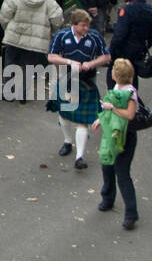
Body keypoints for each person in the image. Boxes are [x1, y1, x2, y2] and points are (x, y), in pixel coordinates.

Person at [47, 9, 110, 170]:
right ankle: (68, 141)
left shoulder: (95, 36)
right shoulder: (62, 35)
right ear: (73, 25)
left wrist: (91, 64)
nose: (86, 28)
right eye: (83, 25)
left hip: (87, 81)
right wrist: (69, 62)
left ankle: (79, 157)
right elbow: (51, 56)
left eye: (87, 25)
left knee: (83, 119)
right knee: (64, 114)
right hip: (66, 78)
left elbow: (106, 56)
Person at [0, 0, 63, 101]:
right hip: (36, 42)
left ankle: (8, 93)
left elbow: (4, 16)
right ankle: (23, 95)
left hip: (14, 37)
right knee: (29, 67)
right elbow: (58, 20)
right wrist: (48, 32)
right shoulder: (48, 1)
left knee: (11, 63)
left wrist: (8, 29)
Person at [94, 58, 140, 230]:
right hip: (112, 133)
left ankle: (131, 213)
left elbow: (129, 115)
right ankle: (107, 198)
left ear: (116, 75)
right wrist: (101, 120)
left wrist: (111, 108)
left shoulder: (130, 93)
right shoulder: (117, 87)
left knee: (122, 173)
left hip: (126, 136)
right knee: (107, 165)